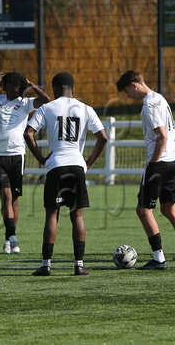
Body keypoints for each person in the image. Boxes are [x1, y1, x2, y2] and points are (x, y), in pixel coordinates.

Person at [24, 72, 107, 276]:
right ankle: (79, 265)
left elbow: (28, 133)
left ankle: (46, 265)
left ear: (54, 88)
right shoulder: (86, 109)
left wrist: (41, 158)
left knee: (52, 215)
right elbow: (103, 138)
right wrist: (87, 163)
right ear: (73, 88)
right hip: (77, 165)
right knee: (77, 215)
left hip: (56, 166)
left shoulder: (47, 107)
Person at [115, 70, 175, 269]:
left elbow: (162, 136)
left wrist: (152, 164)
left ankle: (159, 258)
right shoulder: (160, 98)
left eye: (126, 91)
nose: (127, 96)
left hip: (159, 163)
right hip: (172, 160)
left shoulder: (149, 104)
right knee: (168, 208)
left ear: (134, 85)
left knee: (143, 210)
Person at [0, 72, 49, 254]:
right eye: (14, 88)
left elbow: (45, 100)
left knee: (14, 200)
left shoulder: (24, 103)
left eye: (20, 89)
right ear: (5, 86)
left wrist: (30, 83)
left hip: (17, 156)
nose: (16, 91)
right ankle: (14, 238)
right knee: (5, 196)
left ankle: (8, 238)